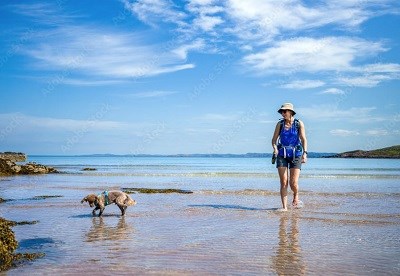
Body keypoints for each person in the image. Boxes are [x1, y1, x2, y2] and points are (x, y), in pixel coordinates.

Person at [271, 103, 308, 211]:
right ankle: (284, 207)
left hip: (296, 154)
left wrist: (305, 153)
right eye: (281, 112)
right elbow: (273, 140)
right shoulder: (280, 124)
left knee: (293, 183)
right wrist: (275, 149)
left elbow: (303, 139)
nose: (283, 113)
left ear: (290, 112)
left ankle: (296, 195)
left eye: (284, 111)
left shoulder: (298, 123)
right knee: (283, 182)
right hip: (282, 154)